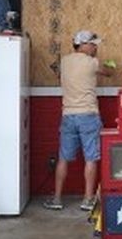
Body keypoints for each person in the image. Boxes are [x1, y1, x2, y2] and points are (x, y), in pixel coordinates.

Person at [44, 30, 117, 211]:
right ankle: (88, 199)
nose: (95, 48)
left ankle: (57, 199)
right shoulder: (92, 62)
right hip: (88, 115)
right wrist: (111, 64)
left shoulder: (64, 61)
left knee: (63, 158)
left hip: (68, 115)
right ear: (83, 45)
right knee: (90, 158)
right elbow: (109, 73)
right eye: (93, 45)